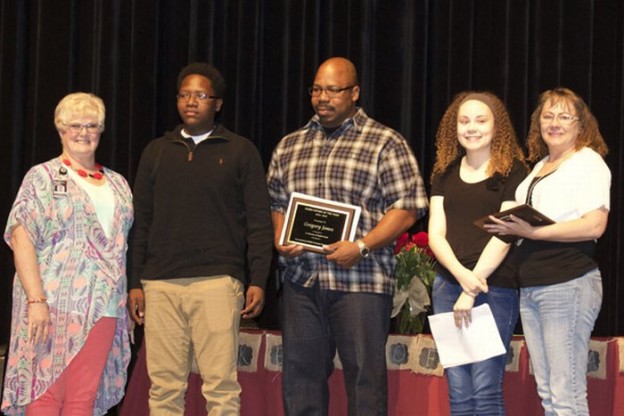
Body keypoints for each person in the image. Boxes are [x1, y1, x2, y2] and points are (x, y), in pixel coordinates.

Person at [267, 56, 428, 415]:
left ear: (354, 92)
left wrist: (361, 245)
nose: (322, 97)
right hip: (302, 282)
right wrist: (281, 237)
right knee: (300, 381)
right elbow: (277, 201)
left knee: (364, 383)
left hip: (361, 282)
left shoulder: (385, 142)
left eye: (333, 90)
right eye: (316, 90)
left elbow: (408, 207)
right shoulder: (289, 145)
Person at [128, 62, 273, 415]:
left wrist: (258, 279)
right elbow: (141, 221)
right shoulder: (156, 152)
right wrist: (135, 282)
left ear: (218, 103)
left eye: (201, 95)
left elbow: (258, 222)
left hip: (218, 282)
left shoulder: (241, 151)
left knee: (221, 387)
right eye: (184, 94)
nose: (191, 102)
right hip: (160, 284)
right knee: (163, 388)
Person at [1, 92, 133, 415]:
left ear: (101, 131)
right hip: (52, 305)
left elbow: (121, 250)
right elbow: (22, 239)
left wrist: (125, 304)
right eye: (75, 125)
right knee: (44, 394)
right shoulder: (42, 177)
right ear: (60, 130)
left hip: (104, 308)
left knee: (82, 400)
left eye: (92, 125)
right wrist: (36, 300)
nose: (83, 132)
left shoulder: (119, 184)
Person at [486, 87, 610, 415]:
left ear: (581, 125)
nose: (554, 122)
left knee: (566, 393)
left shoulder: (587, 162)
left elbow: (594, 225)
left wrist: (533, 231)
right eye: (548, 116)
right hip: (533, 286)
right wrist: (507, 227)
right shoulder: (538, 167)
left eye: (564, 116)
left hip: (567, 282)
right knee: (548, 392)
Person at [428, 91, 527, 415]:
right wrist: (460, 277)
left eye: (480, 120)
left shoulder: (512, 173)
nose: (472, 127)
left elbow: (504, 235)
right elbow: (435, 235)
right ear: (453, 127)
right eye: (464, 120)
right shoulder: (444, 172)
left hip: (492, 289)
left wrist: (472, 287)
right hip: (448, 287)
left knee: (485, 389)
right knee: (458, 390)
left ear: (496, 126)